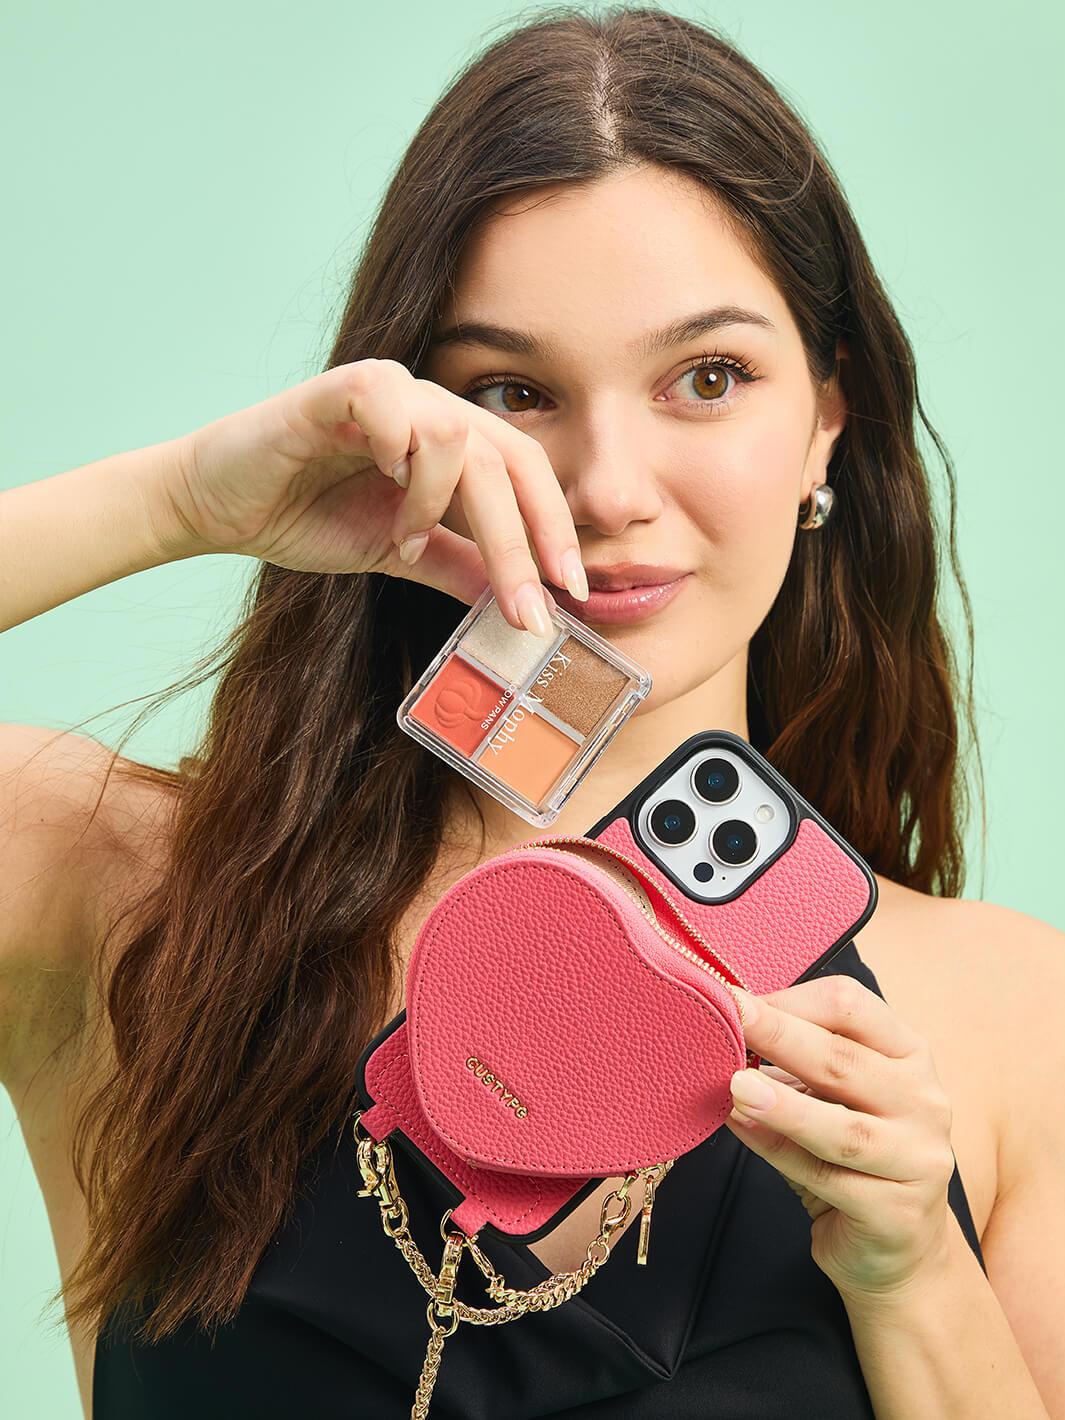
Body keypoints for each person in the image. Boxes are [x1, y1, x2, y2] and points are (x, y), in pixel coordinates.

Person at [1, 6, 1061, 1418]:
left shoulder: (1012, 1019)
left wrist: (913, 1270)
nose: (606, 485)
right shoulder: (129, 897)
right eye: (514, 390)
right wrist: (178, 502)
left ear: (826, 417)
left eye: (707, 379)